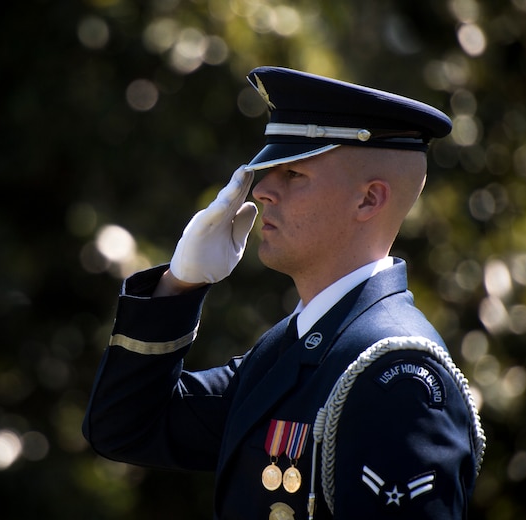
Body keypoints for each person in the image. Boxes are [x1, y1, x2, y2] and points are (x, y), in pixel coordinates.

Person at [82, 66, 484, 520]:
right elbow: (124, 427)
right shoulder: (289, 348)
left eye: (293, 174)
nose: (264, 189)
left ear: (369, 200)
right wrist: (179, 285)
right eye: (270, 169)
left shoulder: (399, 377)